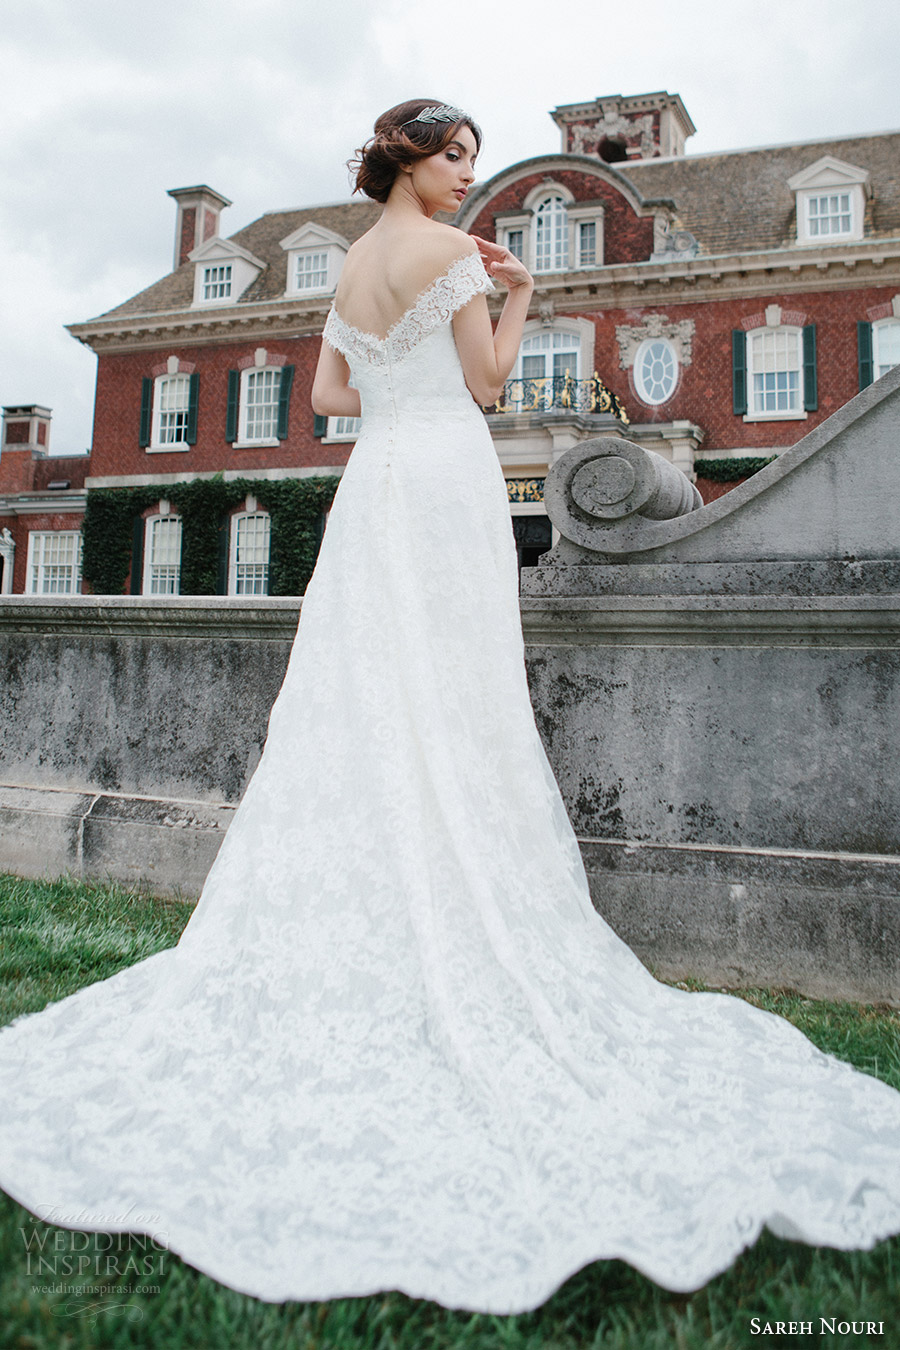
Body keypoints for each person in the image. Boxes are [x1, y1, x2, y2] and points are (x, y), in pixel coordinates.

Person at [0, 99, 899, 1317]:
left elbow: (324, 399)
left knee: (367, 688)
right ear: (410, 163)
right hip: (442, 478)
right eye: (457, 156)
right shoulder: (450, 254)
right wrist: (521, 296)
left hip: (377, 480)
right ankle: (457, 892)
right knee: (455, 689)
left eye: (474, 157)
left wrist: (412, 364)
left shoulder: (360, 261)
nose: (469, 175)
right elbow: (484, 384)